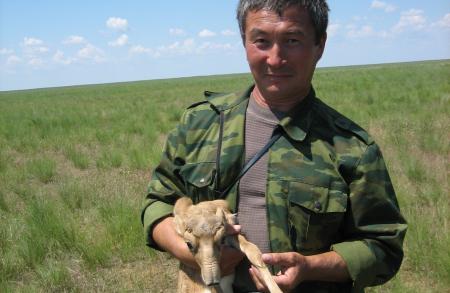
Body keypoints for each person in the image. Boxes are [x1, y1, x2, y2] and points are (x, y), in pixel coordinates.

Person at [141, 0, 407, 292]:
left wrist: (310, 268)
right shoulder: (199, 124)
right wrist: (190, 251)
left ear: (319, 45)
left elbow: (383, 247)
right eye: (261, 41)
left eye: (292, 40)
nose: (275, 58)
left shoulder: (351, 148)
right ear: (244, 42)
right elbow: (158, 203)